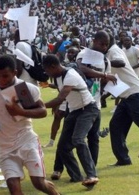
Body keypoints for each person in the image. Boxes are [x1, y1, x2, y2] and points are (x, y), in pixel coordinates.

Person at [0, 55, 60, 195]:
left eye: (5, 76)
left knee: (39, 183)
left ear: (15, 73)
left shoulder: (25, 89)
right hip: (5, 146)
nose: (1, 80)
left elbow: (42, 112)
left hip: (27, 140)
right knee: (13, 186)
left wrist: (20, 111)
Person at [43, 54, 101, 188]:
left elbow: (60, 98)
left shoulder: (70, 75)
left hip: (88, 109)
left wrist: (39, 105)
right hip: (75, 111)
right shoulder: (58, 76)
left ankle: (91, 175)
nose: (46, 73)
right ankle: (76, 176)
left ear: (53, 66)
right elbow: (63, 97)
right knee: (63, 147)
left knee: (78, 140)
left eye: (47, 70)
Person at [106, 33, 139, 166]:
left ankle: (123, 158)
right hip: (127, 95)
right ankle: (123, 159)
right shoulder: (114, 51)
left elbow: (121, 63)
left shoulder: (113, 51)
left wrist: (104, 61)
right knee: (116, 125)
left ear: (105, 43)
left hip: (135, 94)